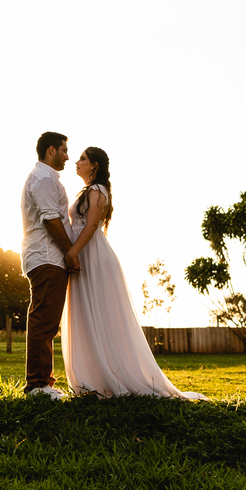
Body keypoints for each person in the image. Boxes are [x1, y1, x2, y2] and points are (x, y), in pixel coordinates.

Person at [61, 146, 206, 400]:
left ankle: (112, 375)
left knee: (101, 314)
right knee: (86, 313)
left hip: (93, 256)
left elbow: (92, 225)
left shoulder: (97, 190)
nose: (77, 161)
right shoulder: (89, 191)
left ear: (94, 165)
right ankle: (93, 378)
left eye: (82, 158)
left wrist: (73, 252)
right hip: (84, 254)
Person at [19, 131, 74, 400]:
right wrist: (70, 251)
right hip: (47, 256)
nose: (67, 156)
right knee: (43, 319)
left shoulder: (46, 178)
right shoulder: (43, 178)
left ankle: (42, 382)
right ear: (51, 150)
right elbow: (51, 220)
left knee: (47, 320)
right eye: (64, 150)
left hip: (48, 257)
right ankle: (38, 386)